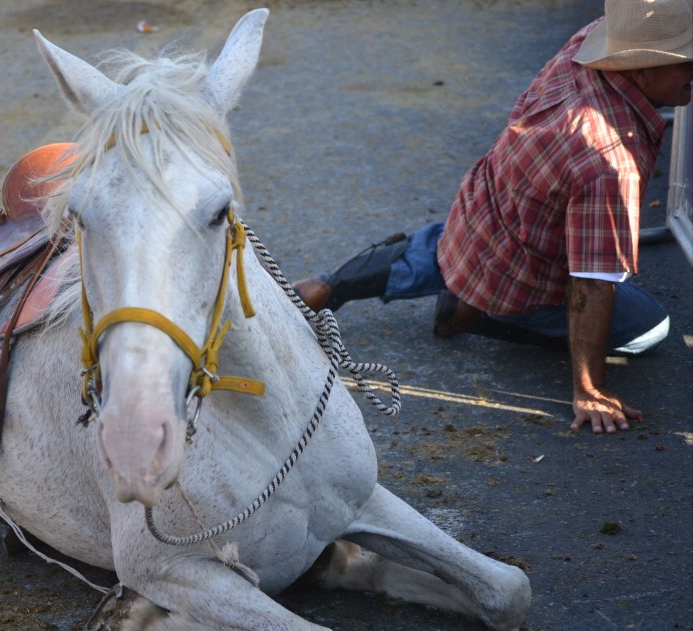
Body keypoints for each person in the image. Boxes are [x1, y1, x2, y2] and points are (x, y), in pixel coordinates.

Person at [293, 0, 693, 435]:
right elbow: (591, 284)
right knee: (652, 328)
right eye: (685, 62)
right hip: (525, 272)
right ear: (639, 71)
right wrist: (588, 388)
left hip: (481, 210)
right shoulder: (608, 162)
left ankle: (330, 284)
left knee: (445, 249)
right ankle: (487, 312)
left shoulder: (590, 42)